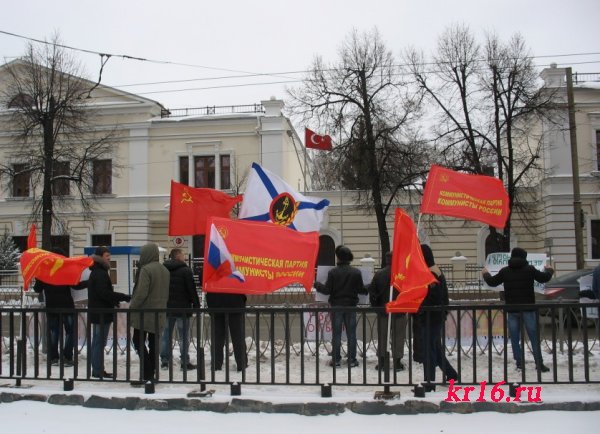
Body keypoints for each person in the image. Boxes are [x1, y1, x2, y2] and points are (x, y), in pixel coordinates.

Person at [482, 247, 554, 373]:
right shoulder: (530, 269)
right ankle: (539, 363)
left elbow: (492, 282)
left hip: (512, 309)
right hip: (528, 308)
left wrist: (485, 273)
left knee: (515, 338)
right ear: (524, 257)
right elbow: (544, 278)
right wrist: (549, 270)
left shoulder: (505, 271)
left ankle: (519, 363)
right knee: (533, 336)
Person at [34, 247, 87, 368]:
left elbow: (37, 289)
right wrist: (89, 282)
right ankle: (67, 357)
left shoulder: (45, 270)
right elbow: (76, 286)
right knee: (70, 331)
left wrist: (38, 276)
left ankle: (53, 358)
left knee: (54, 332)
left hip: (51, 306)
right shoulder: (65, 269)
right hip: (66, 305)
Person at [314, 245, 365, 368]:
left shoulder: (333, 272)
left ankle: (336, 359)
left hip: (336, 306)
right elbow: (361, 290)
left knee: (336, 334)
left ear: (339, 257)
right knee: (351, 334)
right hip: (351, 307)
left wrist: (317, 285)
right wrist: (369, 287)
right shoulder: (356, 272)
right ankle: (352, 359)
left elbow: (327, 290)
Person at [129, 243, 170, 384]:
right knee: (154, 344)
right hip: (159, 312)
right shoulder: (164, 270)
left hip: (144, 313)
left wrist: (132, 307)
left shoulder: (146, 269)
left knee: (138, 341)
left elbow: (141, 294)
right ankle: (152, 374)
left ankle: (147, 374)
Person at [88, 246, 130, 379]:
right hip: (101, 312)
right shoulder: (100, 273)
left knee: (97, 341)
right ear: (100, 257)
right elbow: (104, 293)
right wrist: (123, 296)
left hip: (98, 311)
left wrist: (114, 300)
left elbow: (102, 293)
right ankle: (97, 370)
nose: (109, 258)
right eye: (107, 256)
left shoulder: (96, 271)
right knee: (99, 342)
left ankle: (97, 369)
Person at [418, 244, 458, 389]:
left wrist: (419, 304)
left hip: (431, 316)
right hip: (434, 316)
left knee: (429, 349)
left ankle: (429, 382)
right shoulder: (433, 270)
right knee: (435, 347)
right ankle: (452, 374)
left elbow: (433, 297)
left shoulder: (431, 273)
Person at [159, 248, 200, 371]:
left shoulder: (163, 269)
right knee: (183, 336)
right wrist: (196, 305)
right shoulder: (186, 270)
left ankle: (165, 361)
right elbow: (191, 289)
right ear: (177, 256)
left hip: (167, 308)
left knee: (166, 335)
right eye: (182, 254)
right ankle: (184, 362)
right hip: (183, 308)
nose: (184, 256)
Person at [368, 251, 406, 372]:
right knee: (398, 336)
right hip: (399, 311)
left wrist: (377, 308)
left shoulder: (379, 274)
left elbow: (372, 292)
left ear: (386, 260)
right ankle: (397, 362)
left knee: (382, 336)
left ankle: (382, 361)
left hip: (383, 310)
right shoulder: (402, 274)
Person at [205, 291, 248, 372]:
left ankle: (216, 365)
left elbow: (203, 284)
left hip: (216, 303)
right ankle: (241, 364)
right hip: (235, 302)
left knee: (217, 338)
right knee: (238, 336)